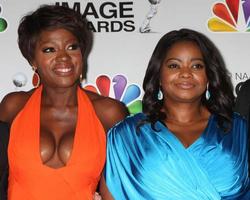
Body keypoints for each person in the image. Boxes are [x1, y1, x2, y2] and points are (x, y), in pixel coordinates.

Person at [100, 29, 250, 199]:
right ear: (158, 74)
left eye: (197, 66)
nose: (186, 73)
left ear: (208, 75)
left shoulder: (239, 131)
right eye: (174, 65)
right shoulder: (126, 136)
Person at [0, 5, 128, 200]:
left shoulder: (109, 112)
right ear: (32, 60)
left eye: (72, 47)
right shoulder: (13, 106)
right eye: (49, 49)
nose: (63, 57)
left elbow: (122, 184)